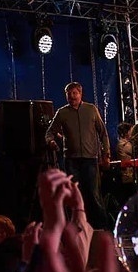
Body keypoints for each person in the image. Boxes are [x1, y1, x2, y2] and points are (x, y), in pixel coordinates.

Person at [45, 82, 111, 228]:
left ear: (80, 94)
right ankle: (78, 226)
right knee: (75, 195)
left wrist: (106, 154)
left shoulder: (91, 109)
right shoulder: (62, 112)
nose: (72, 96)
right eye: (69, 94)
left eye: (74, 93)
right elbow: (49, 132)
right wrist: (51, 142)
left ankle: (101, 227)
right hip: (71, 160)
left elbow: (103, 133)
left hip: (90, 159)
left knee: (93, 194)